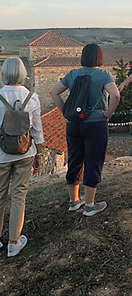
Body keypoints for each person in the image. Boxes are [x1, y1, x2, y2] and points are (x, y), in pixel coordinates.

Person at [50, 44, 120, 217]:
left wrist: (66, 112)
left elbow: (54, 92)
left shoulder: (73, 74)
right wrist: (108, 114)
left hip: (73, 123)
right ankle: (89, 205)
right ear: (100, 57)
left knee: (74, 159)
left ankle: (73, 201)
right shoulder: (103, 75)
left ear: (83, 57)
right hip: (96, 124)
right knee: (93, 161)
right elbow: (116, 95)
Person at [0, 57, 44, 257]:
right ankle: (13, 242)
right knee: (19, 195)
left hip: (1, 154)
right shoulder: (32, 98)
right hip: (26, 152)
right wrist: (39, 154)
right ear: (23, 74)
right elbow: (37, 130)